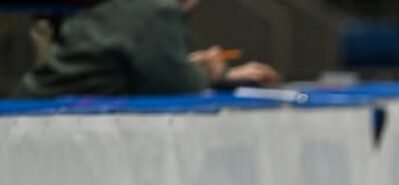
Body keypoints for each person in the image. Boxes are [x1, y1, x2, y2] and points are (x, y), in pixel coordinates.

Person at [13, 0, 278, 99]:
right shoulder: (156, 10)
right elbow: (177, 85)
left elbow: (141, 70)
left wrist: (203, 70)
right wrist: (210, 71)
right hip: (40, 118)